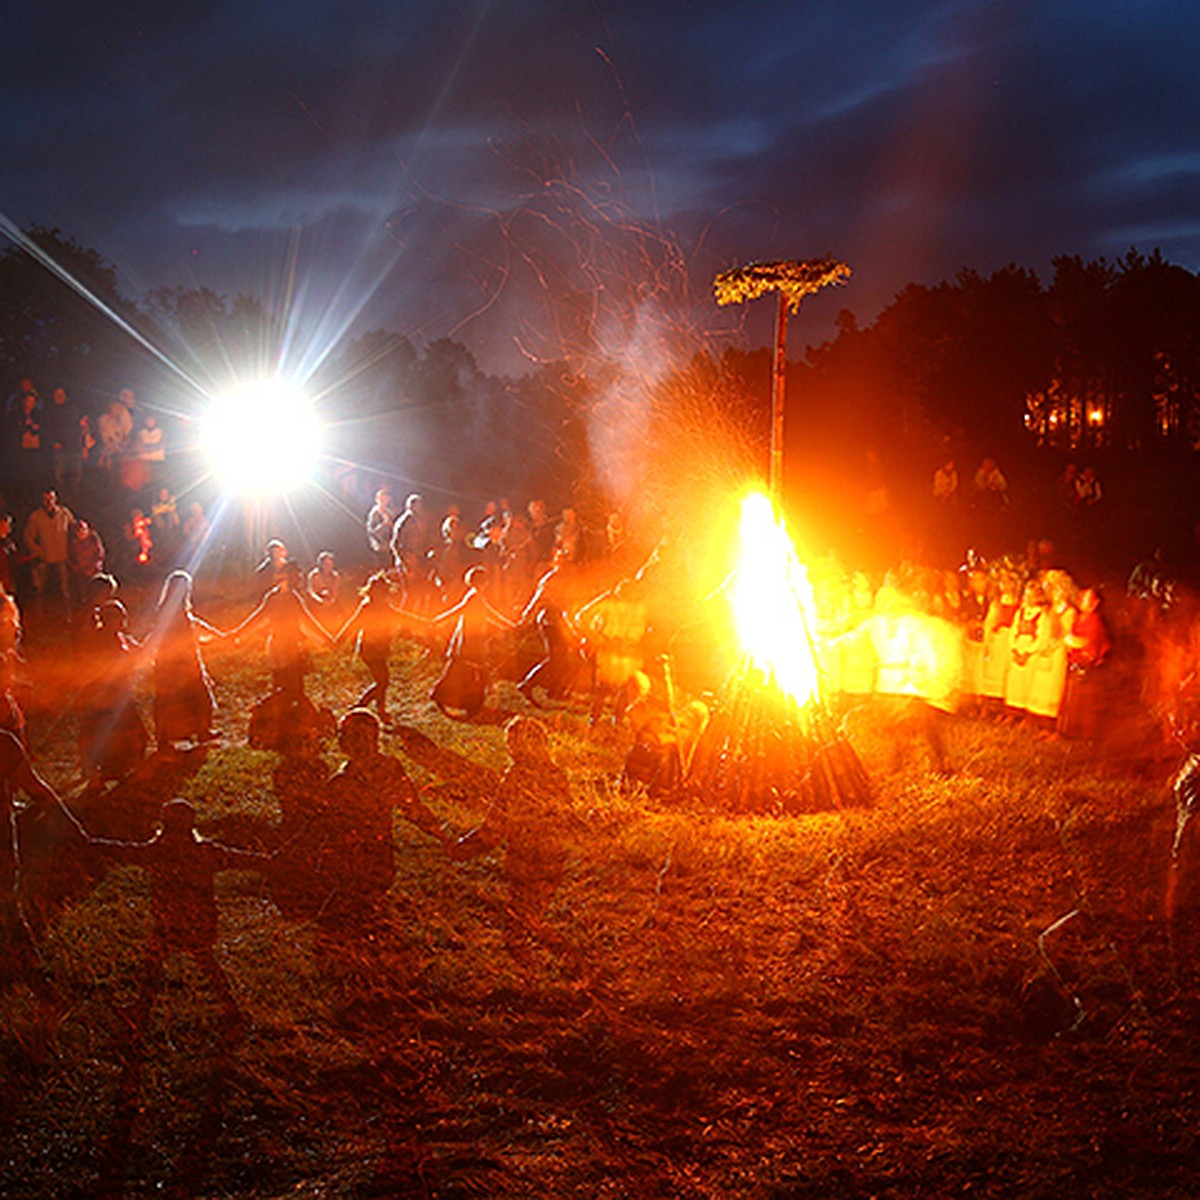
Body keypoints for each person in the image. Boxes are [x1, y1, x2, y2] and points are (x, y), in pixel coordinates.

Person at [450, 716, 572, 959]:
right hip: (553, 859)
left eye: (512, 744)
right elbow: (566, 817)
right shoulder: (557, 775)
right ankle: (536, 935)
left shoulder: (516, 778)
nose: (510, 750)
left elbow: (496, 826)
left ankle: (523, 968)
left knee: (518, 916)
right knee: (535, 905)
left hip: (525, 860)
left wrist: (464, 848)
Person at [232, 560, 334, 702]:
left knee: (280, 685)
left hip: (275, 646)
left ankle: (281, 713)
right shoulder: (291, 599)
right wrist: (326, 640)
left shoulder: (274, 597)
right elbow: (306, 623)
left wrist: (239, 634)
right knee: (294, 688)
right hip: (288, 647)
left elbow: (259, 619)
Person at [148, 570, 225, 750]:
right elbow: (159, 636)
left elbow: (197, 625)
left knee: (197, 697)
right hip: (175, 664)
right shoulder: (168, 614)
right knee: (170, 700)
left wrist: (222, 635)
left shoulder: (182, 612)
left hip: (185, 663)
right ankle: (165, 737)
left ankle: (200, 730)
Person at [429, 565, 514, 718]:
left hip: (472, 639)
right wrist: (439, 619)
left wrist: (506, 624)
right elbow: (459, 610)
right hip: (469, 640)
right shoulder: (474, 596)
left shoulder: (476, 595)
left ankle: (467, 702)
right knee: (472, 670)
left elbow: (488, 614)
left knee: (463, 670)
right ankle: (469, 702)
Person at [336, 572, 402, 721]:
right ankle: (361, 705)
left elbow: (401, 616)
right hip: (369, 649)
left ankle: (380, 708)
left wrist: (423, 622)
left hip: (381, 649)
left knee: (382, 679)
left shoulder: (385, 607)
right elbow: (353, 624)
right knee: (383, 680)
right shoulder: (367, 607)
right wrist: (339, 639)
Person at [23, 488, 74, 620]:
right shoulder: (36, 517)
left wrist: (72, 550)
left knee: (64, 591)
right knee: (40, 591)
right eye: (46, 499)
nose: (49, 502)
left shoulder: (64, 513)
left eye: (51, 499)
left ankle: (66, 616)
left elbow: (74, 531)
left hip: (62, 557)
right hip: (44, 558)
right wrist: (37, 551)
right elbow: (28, 537)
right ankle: (39, 618)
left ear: (55, 499)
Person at [365, 486, 395, 569]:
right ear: (377, 499)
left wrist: (391, 525)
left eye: (386, 499)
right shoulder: (374, 514)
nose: (384, 501)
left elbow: (394, 528)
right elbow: (372, 532)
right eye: (382, 499)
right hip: (379, 547)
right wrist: (384, 524)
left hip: (390, 546)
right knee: (382, 569)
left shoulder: (389, 513)